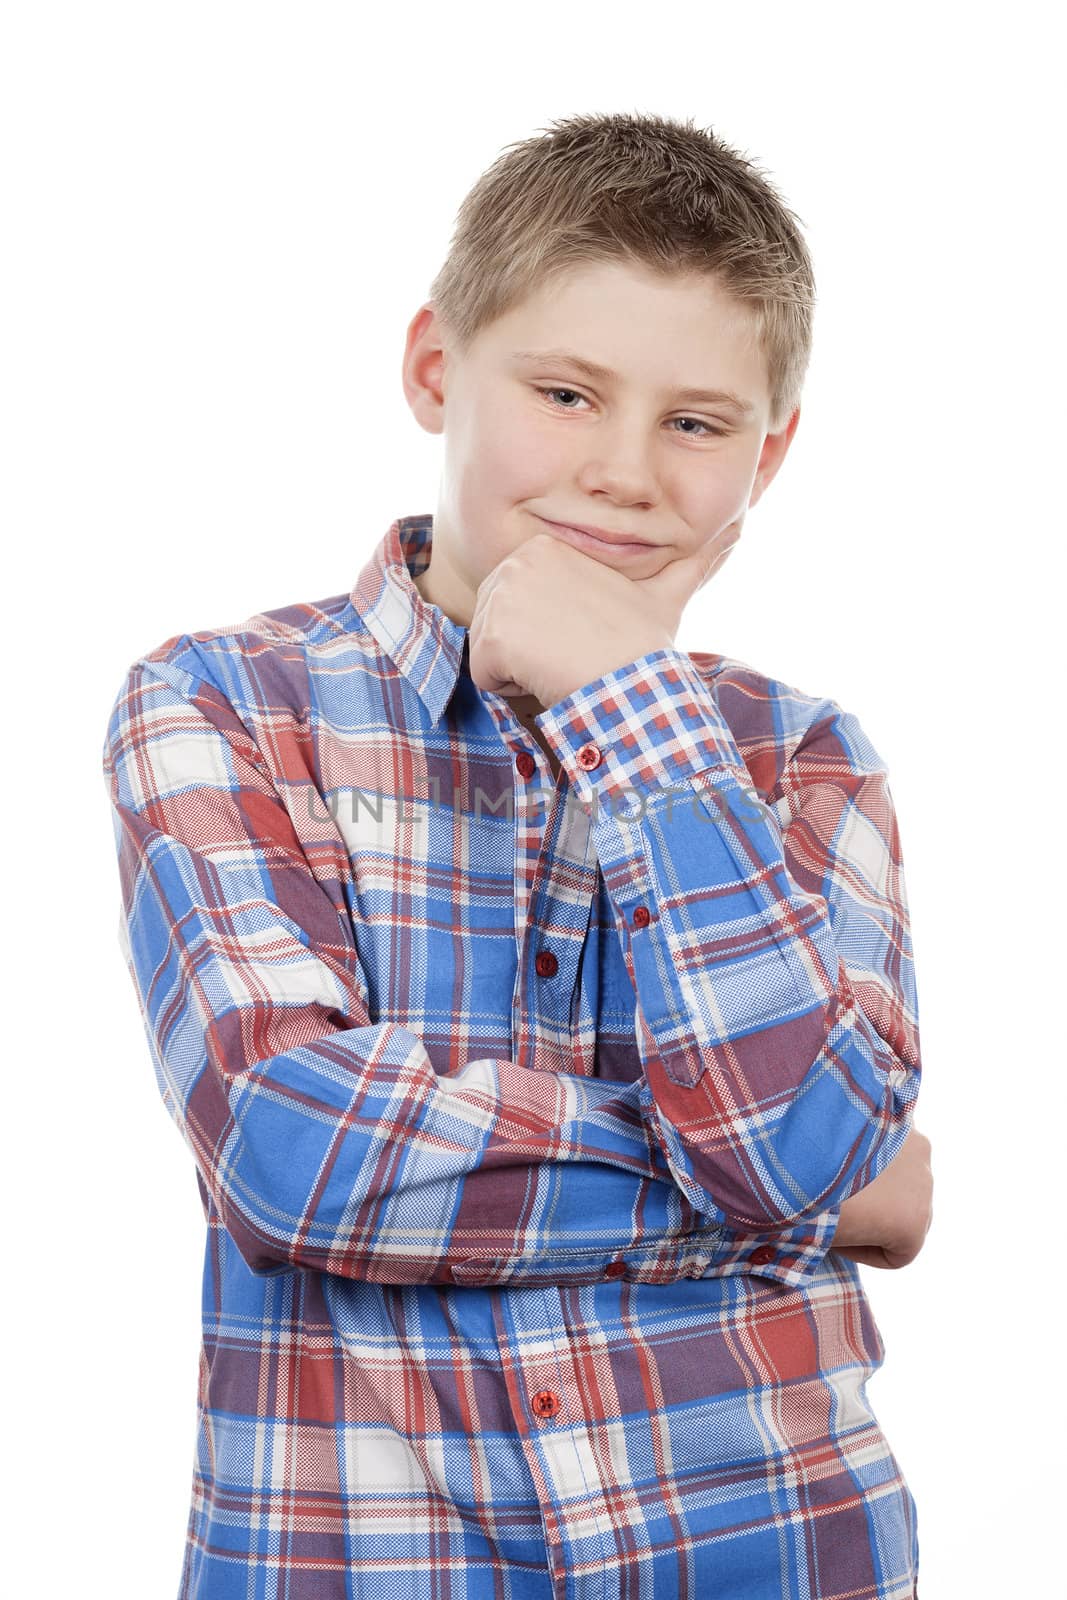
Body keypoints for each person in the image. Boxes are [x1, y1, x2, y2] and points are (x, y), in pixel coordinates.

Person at [102, 110, 932, 1599]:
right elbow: (297, 1157)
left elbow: (799, 1135)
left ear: (772, 452)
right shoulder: (222, 703)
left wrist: (637, 718)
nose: (623, 472)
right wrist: (818, 1196)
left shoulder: (805, 760)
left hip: (778, 1549)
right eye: (564, 392)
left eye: (696, 423)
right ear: (436, 368)